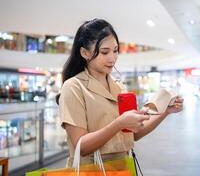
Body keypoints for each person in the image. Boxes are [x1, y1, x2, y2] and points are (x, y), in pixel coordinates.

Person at [57, 18, 184, 168]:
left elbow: (133, 134)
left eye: (116, 50)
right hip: (92, 169)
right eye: (104, 52)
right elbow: (81, 146)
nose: (112, 58)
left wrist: (165, 111)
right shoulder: (74, 87)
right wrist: (119, 124)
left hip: (123, 167)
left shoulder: (118, 87)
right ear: (84, 52)